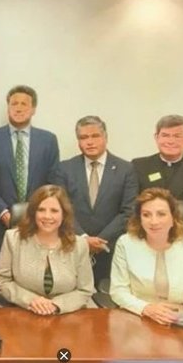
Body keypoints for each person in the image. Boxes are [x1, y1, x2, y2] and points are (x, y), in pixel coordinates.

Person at [0, 85, 59, 271]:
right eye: (14, 104)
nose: (19, 108)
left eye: (24, 104)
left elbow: (53, 184)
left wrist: (35, 213)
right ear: (8, 108)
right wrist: (3, 213)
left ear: (33, 109)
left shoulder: (48, 140)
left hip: (38, 223)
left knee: (33, 275)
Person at [51, 116, 138, 282]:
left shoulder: (126, 169)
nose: (89, 142)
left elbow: (129, 211)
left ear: (106, 137)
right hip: (72, 246)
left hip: (111, 248)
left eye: (95, 136)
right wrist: (84, 238)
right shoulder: (64, 169)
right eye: (84, 137)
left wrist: (101, 240)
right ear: (78, 141)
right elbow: (60, 208)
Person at [110, 188, 183, 324]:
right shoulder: (126, 243)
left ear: (173, 218)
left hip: (181, 321)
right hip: (139, 318)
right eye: (146, 215)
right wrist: (146, 308)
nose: (154, 221)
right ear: (140, 219)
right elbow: (118, 291)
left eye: (161, 214)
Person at [0, 185, 95, 315]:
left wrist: (56, 305)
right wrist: (31, 300)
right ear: (33, 213)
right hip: (24, 312)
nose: (47, 216)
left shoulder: (79, 245)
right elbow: (2, 281)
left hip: (67, 315)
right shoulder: (13, 239)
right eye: (41, 210)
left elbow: (85, 290)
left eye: (54, 211)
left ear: (64, 214)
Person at [132, 115, 183, 227]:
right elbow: (132, 204)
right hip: (148, 231)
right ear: (156, 137)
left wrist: (176, 228)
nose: (171, 141)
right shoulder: (138, 166)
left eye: (177, 136)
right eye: (165, 135)